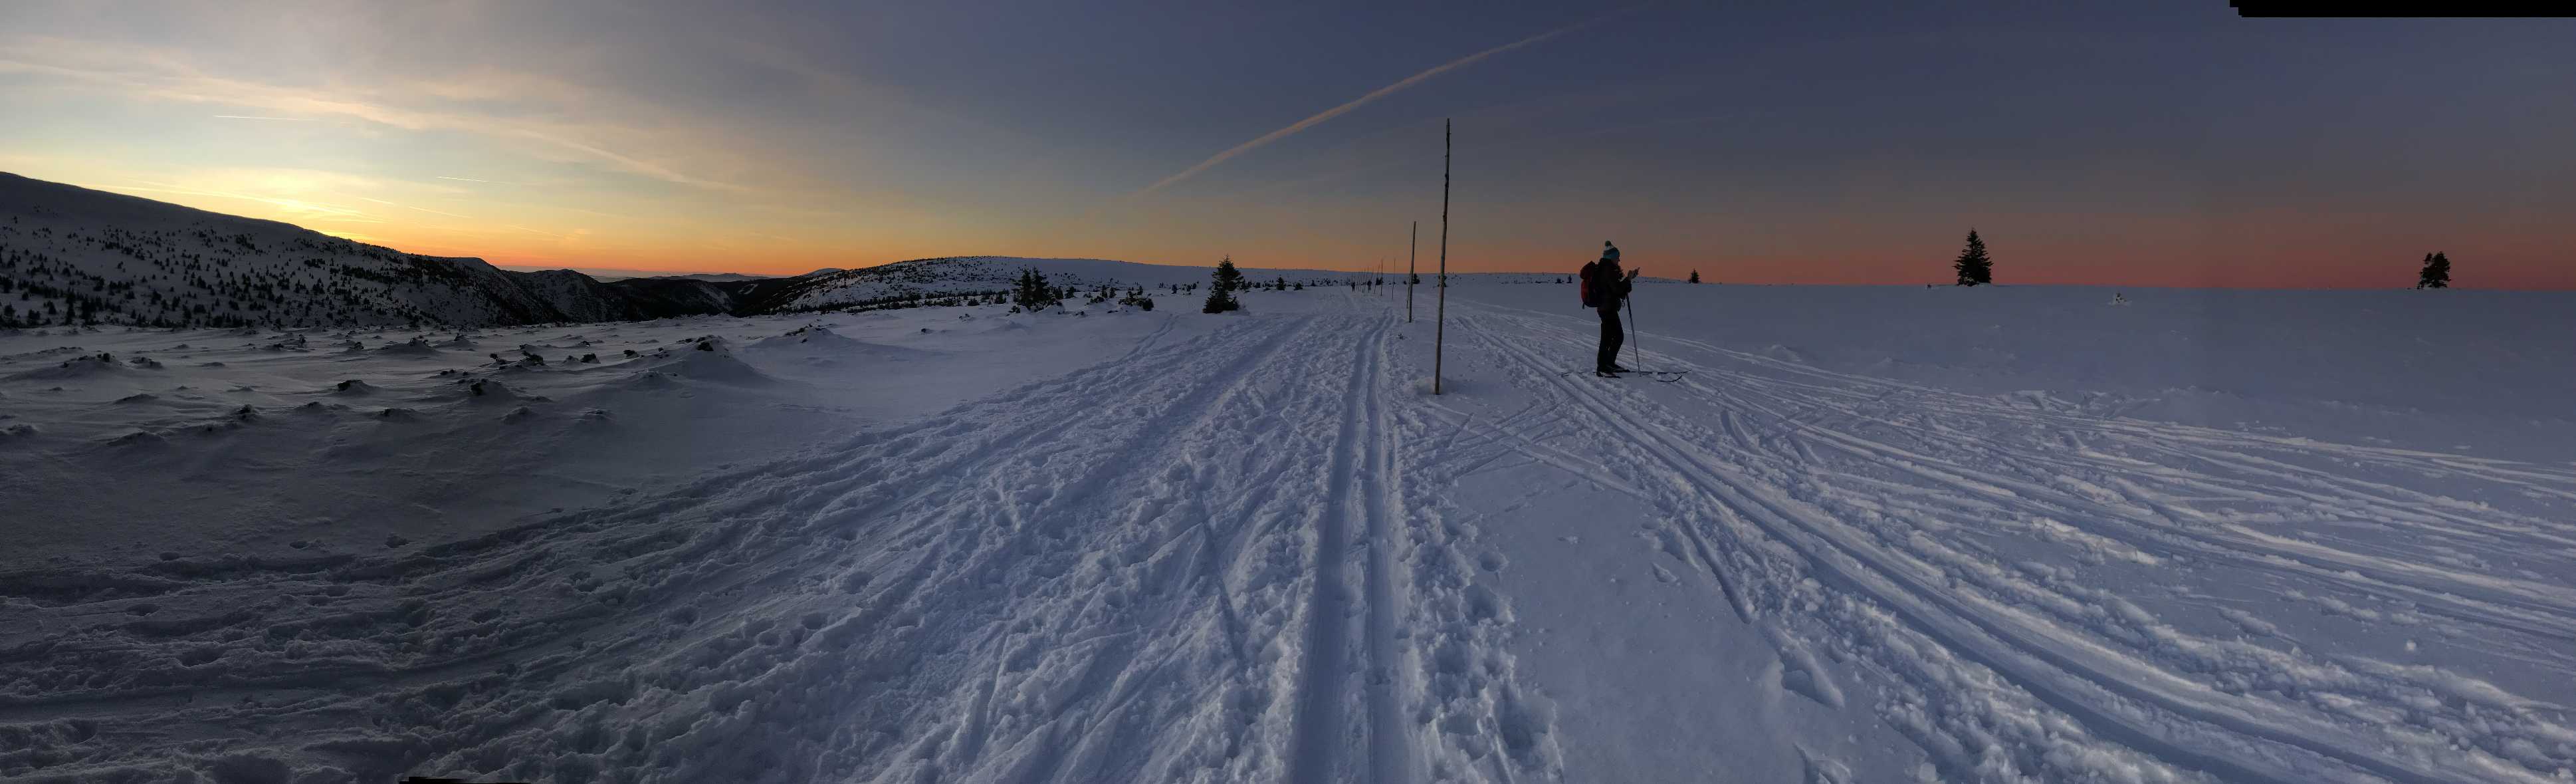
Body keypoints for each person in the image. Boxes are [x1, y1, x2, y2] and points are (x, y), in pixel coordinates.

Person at [1592, 240, 1639, 376]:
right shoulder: (1607, 270)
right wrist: (1628, 279)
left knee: (1611, 336)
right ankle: (1605, 365)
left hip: (1606, 307)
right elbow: (1618, 289)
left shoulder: (1607, 269)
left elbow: (1620, 289)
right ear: (1611, 257)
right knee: (1615, 336)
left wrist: (1629, 280)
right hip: (1607, 308)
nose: (1619, 260)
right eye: (1617, 257)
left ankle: (1606, 364)